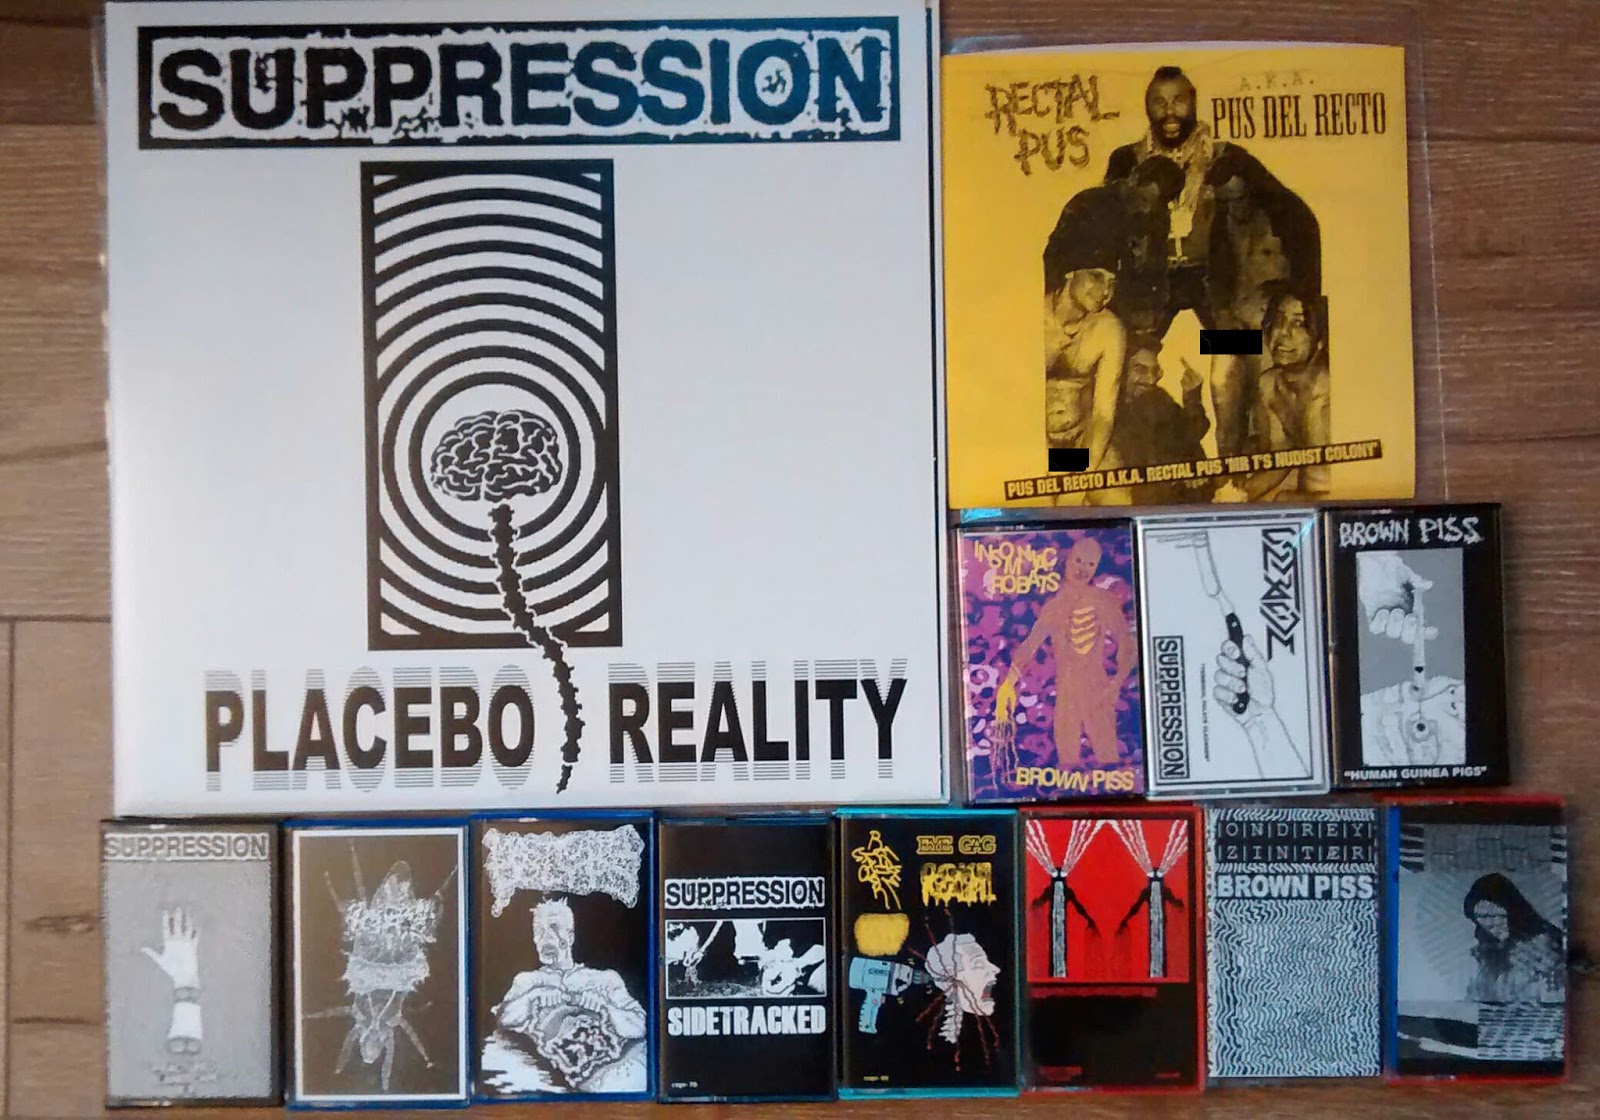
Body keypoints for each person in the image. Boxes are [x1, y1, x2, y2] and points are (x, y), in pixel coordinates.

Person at [1105, 66, 1321, 457]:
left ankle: (1236, 457)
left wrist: (1298, 290)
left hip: (1212, 283)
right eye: (1159, 102)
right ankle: (1107, 461)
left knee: (1233, 362)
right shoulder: (1126, 161)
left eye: (1178, 100)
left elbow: (1292, 211)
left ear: (1193, 102)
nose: (1169, 111)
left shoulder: (1226, 156)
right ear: (1147, 108)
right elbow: (1105, 224)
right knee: (1121, 362)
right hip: (1152, 286)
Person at [995, 536, 1137, 770]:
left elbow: (1127, 643)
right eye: (1079, 561)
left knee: (1108, 755)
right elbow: (1031, 644)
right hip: (1066, 689)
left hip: (1098, 687)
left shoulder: (1103, 601)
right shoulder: (1055, 606)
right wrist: (1008, 683)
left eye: (1090, 564)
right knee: (1067, 760)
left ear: (1096, 567)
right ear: (1068, 560)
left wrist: (1116, 684)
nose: (1083, 569)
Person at [492, 899, 646, 1091]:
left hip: (613, 1080)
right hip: (550, 1085)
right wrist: (533, 998)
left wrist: (606, 1007)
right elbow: (504, 1020)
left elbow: (640, 1026)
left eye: (554, 928)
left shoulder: (604, 980)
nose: (546, 938)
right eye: (539, 931)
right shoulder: (528, 982)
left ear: (570, 936)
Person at [1243, 287, 1331, 500]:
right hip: (1302, 497)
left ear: (1320, 339)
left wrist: (1288, 499)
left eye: (1298, 323)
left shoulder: (1330, 390)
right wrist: (1239, 495)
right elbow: (1282, 458)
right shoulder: (1270, 384)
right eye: (1278, 321)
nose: (1283, 333)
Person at [1109, 336, 1215, 503]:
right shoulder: (1103, 406)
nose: (1151, 380)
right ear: (1119, 370)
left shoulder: (1157, 398)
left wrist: (1192, 399)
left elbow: (1191, 433)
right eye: (1140, 370)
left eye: (1155, 372)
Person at [1462, 873, 1564, 1005]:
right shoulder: (1486, 953)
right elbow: (1477, 994)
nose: (1490, 924)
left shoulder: (1546, 944)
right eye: (1481, 917)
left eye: (1496, 915)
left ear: (1512, 911)